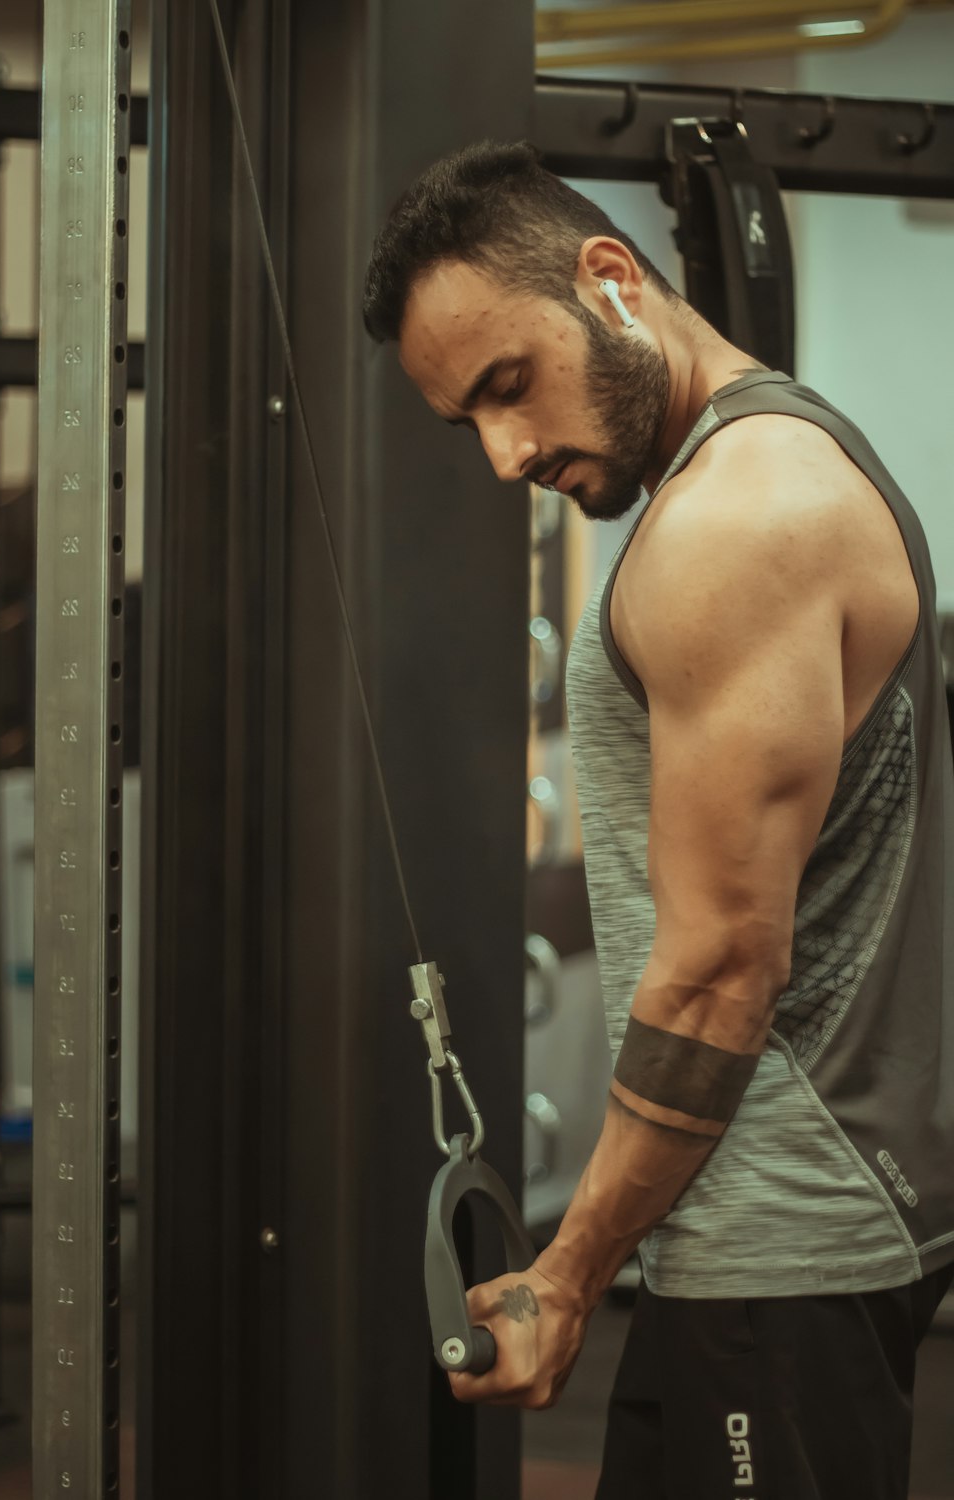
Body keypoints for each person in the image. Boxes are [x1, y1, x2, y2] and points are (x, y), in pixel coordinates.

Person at [363, 141, 954, 1499]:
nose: (508, 453)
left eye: (510, 385)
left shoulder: (733, 524)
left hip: (781, 1240)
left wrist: (567, 1277)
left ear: (612, 281)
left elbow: (718, 972)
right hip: (753, 1230)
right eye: (471, 423)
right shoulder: (776, 461)